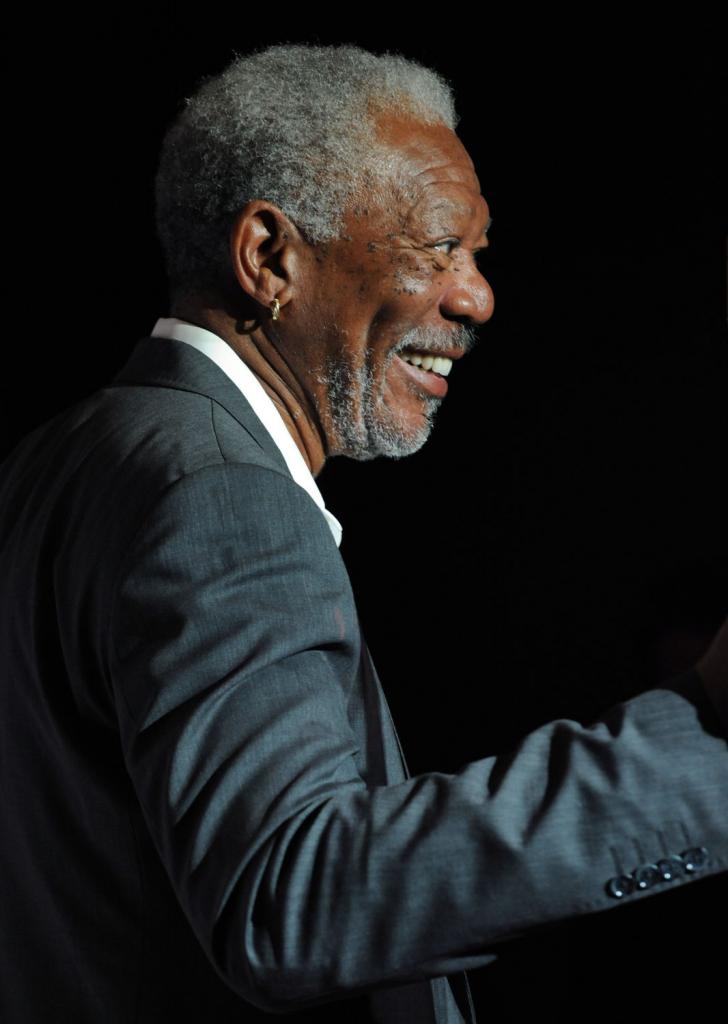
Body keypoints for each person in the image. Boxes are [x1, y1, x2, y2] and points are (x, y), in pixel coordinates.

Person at [1, 43, 726, 1024]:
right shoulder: (219, 488)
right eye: (438, 247)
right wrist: (703, 736)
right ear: (269, 257)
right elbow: (290, 899)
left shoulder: (54, 461)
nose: (477, 297)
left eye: (477, 254)